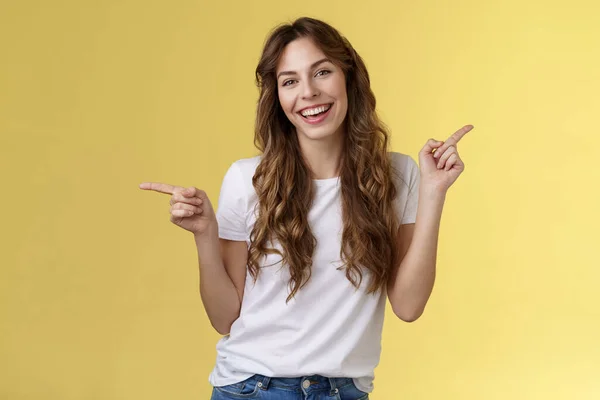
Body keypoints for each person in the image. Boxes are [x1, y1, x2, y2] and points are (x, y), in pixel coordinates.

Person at [140, 16, 473, 400]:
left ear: (348, 77)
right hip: (252, 387)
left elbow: (409, 306)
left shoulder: (396, 175)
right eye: (290, 81)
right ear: (278, 97)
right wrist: (204, 235)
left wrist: (434, 193)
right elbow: (224, 318)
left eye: (322, 72)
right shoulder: (248, 180)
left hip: (345, 391)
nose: (309, 92)